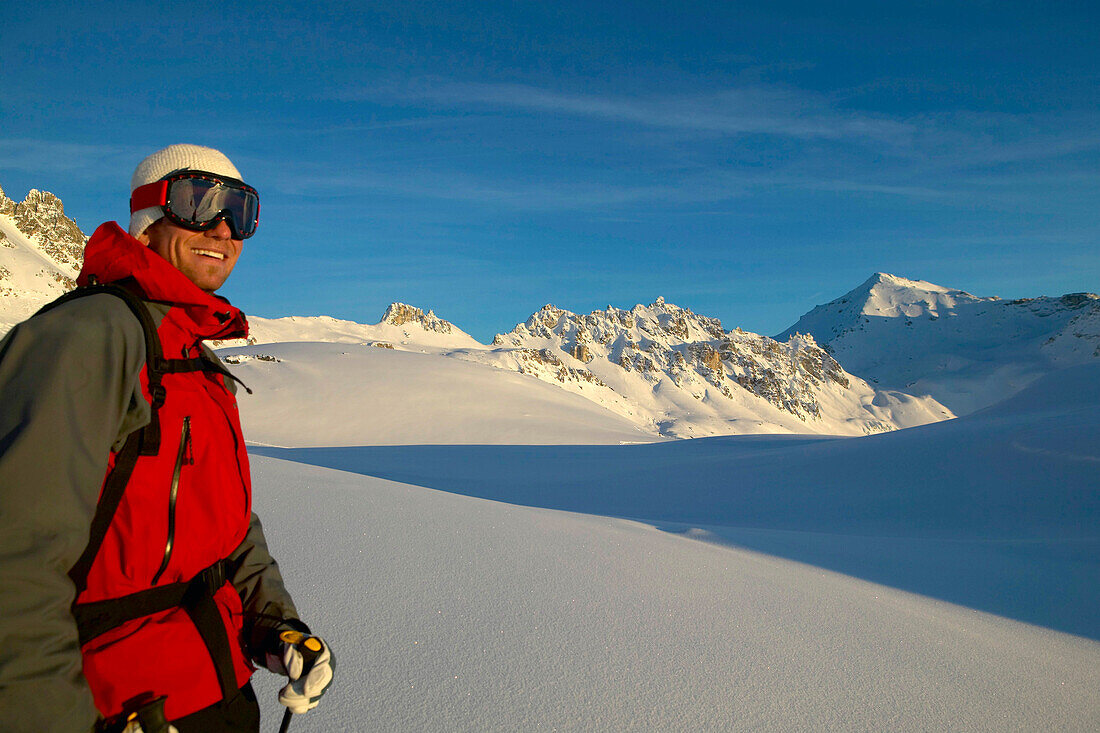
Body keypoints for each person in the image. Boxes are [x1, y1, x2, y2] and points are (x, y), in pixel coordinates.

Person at [0, 144, 334, 732]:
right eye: (198, 203)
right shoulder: (87, 337)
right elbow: (13, 562)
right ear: (148, 220)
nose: (224, 228)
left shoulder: (196, 360)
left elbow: (227, 527)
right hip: (118, 708)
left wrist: (273, 625)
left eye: (242, 211)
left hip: (220, 693)